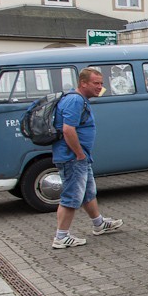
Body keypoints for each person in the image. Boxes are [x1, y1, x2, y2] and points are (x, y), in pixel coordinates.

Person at [51, 67, 123, 249]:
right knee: (71, 196)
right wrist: (79, 153)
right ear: (83, 83)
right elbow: (68, 130)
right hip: (72, 158)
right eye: (96, 83)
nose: (100, 87)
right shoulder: (75, 100)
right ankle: (61, 236)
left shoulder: (78, 99)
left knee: (87, 192)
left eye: (101, 83)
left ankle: (99, 224)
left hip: (79, 158)